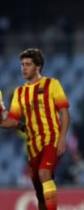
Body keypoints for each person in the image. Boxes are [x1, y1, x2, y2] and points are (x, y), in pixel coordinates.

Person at [0, 48, 70, 210]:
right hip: (32, 145)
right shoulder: (19, 92)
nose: (24, 68)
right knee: (40, 193)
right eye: (22, 64)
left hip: (51, 139)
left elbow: (65, 113)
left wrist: (62, 139)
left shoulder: (52, 84)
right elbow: (12, 120)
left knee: (44, 173)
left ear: (38, 67)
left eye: (28, 64)